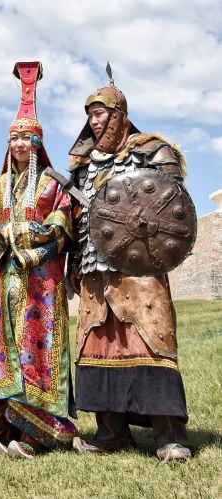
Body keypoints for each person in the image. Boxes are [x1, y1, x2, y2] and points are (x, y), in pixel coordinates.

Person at [67, 67, 192, 462]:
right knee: (98, 347)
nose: (95, 121)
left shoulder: (152, 152)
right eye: (90, 115)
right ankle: (111, 432)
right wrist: (73, 261)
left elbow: (172, 207)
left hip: (139, 268)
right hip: (93, 270)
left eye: (101, 113)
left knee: (149, 341)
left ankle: (169, 435)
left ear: (119, 114)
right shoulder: (82, 166)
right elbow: (76, 220)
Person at [0, 62, 77, 458]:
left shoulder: (53, 184)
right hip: (4, 280)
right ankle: (1, 429)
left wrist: (19, 238)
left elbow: (60, 228)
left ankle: (38, 434)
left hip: (41, 282)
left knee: (37, 349)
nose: (19, 144)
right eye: (14, 138)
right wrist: (11, 234)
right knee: (1, 349)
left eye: (26, 138)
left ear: (37, 143)